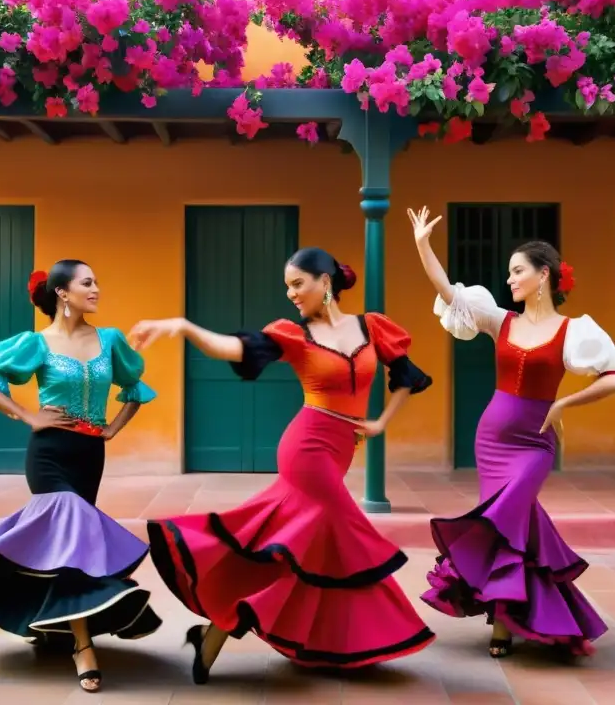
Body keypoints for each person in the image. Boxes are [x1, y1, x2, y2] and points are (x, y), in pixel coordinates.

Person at [128, 247, 435, 684]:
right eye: (287, 286)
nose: (290, 293)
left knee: (300, 545)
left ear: (325, 281)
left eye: (297, 284)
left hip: (339, 448)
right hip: (306, 447)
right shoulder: (294, 335)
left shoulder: (372, 327)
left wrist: (381, 422)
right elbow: (235, 347)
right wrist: (183, 326)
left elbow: (407, 376)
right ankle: (354, 636)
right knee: (340, 531)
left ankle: (214, 634)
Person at [0, 259, 162, 694]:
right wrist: (28, 417)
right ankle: (82, 646)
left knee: (72, 550)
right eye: (87, 282)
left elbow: (135, 390)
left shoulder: (110, 340)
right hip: (49, 456)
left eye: (96, 281)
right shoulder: (36, 344)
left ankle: (56, 626)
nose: (96, 289)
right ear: (61, 292)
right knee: (70, 527)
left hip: (89, 455)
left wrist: (112, 428)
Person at [407, 207, 615, 660]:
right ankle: (505, 622)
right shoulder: (500, 321)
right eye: (508, 273)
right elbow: (449, 292)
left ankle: (511, 619)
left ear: (543, 274)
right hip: (491, 440)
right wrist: (422, 244)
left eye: (516, 271)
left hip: (534, 445)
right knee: (511, 528)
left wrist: (566, 402)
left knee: (506, 520)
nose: (509, 279)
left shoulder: (574, 331)